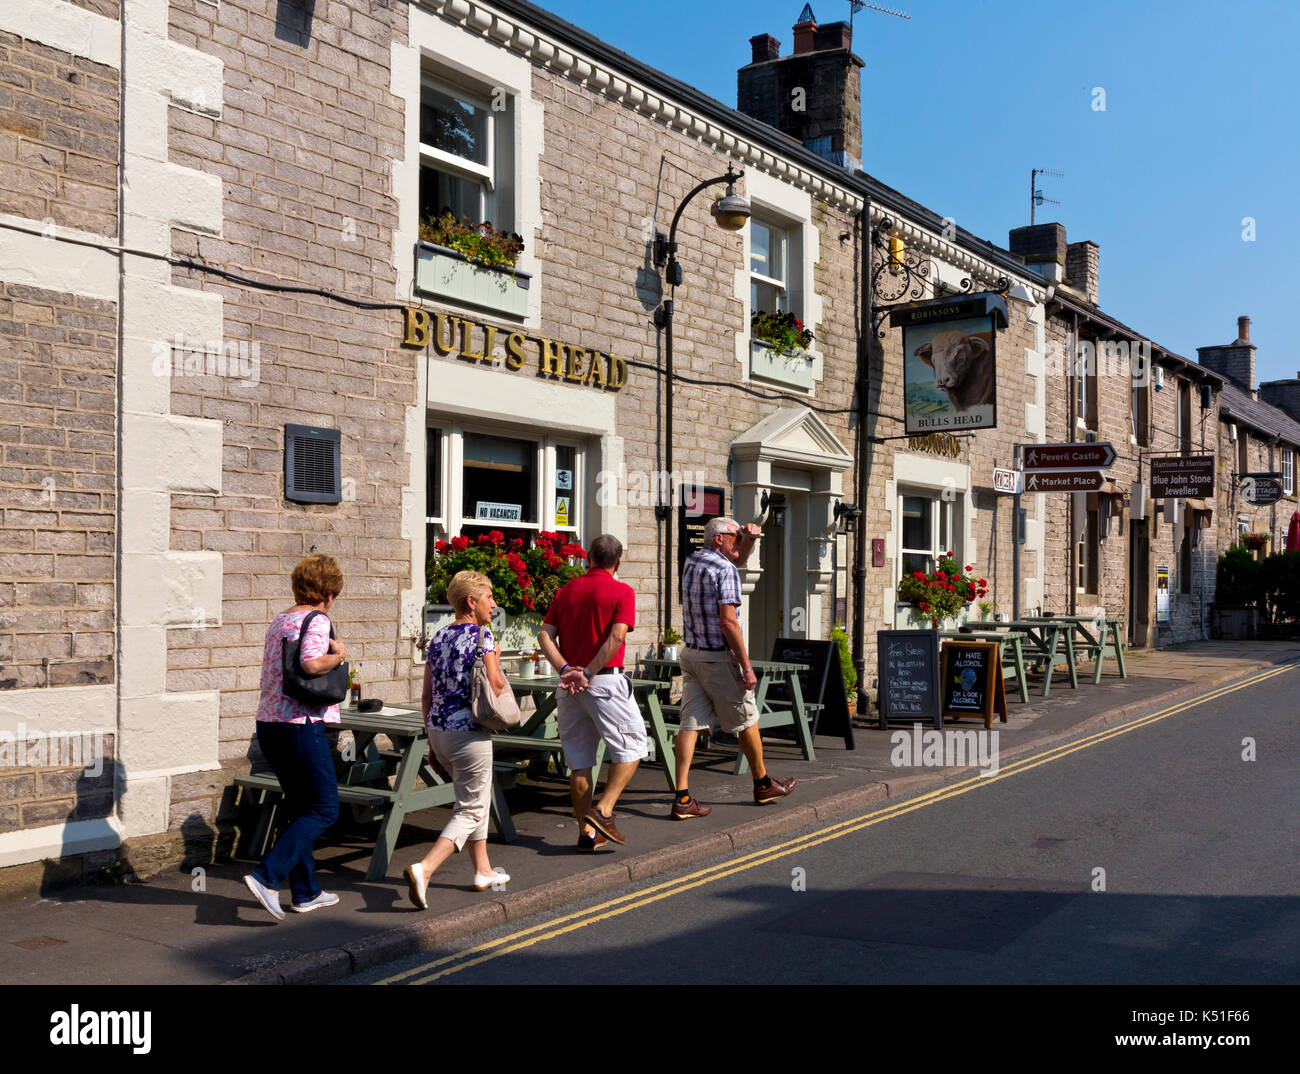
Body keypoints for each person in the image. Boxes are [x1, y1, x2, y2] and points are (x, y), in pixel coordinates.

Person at [243, 554, 347, 920]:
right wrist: (338, 655)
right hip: (300, 724)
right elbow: (310, 663)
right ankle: (266, 876)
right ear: (329, 593)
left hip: (269, 724)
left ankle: (306, 892)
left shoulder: (281, 618)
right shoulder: (317, 619)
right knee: (324, 808)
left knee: (301, 807)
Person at [672, 517, 796, 819]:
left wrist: (749, 538)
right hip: (717, 657)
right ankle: (763, 784)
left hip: (690, 654)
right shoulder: (725, 569)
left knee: (690, 723)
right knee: (747, 717)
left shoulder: (692, 561)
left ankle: (682, 797)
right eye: (734, 535)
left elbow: (737, 556)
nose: (738, 539)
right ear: (719, 539)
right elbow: (728, 622)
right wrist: (746, 666)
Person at [404, 570, 510, 909]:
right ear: (471, 602)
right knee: (471, 808)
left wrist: (432, 742)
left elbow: (426, 695)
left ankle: (483, 870)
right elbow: (494, 685)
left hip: (438, 730)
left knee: (471, 799)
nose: (493, 604)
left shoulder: (437, 638)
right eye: (489, 597)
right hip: (469, 734)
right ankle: (426, 868)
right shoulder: (483, 636)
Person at [537, 534, 645, 852]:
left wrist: (565, 669)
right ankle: (604, 810)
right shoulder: (622, 591)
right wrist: (585, 672)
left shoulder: (566, 591)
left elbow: (544, 635)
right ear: (618, 562)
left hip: (569, 687)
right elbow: (616, 637)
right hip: (604, 682)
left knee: (580, 761)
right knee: (634, 746)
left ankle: (587, 834)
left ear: (588, 558)